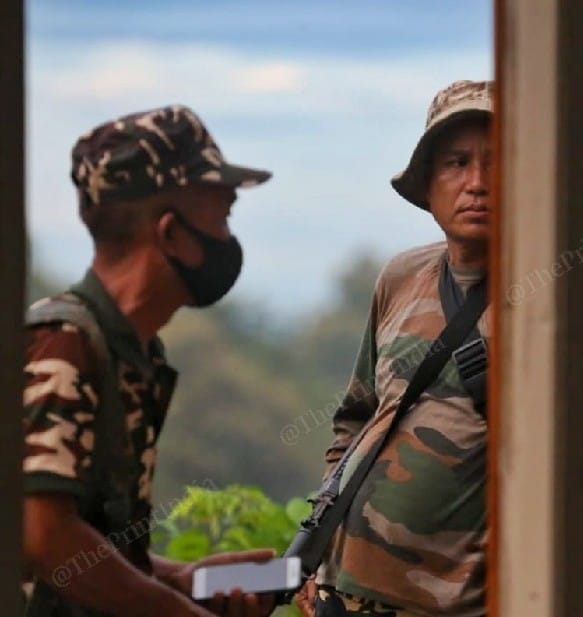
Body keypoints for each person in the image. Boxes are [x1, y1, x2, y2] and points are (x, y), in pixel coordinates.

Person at [22, 105, 276, 617]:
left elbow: (90, 539)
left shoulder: (134, 353)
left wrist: (179, 580)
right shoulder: (63, 344)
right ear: (170, 233)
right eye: (222, 217)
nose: (228, 238)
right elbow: (45, 536)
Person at [295, 80, 493, 617]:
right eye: (457, 163)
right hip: (348, 590)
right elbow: (356, 419)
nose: (477, 184)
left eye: (497, 163)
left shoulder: (551, 300)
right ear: (428, 182)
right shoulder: (402, 276)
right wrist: (317, 547)